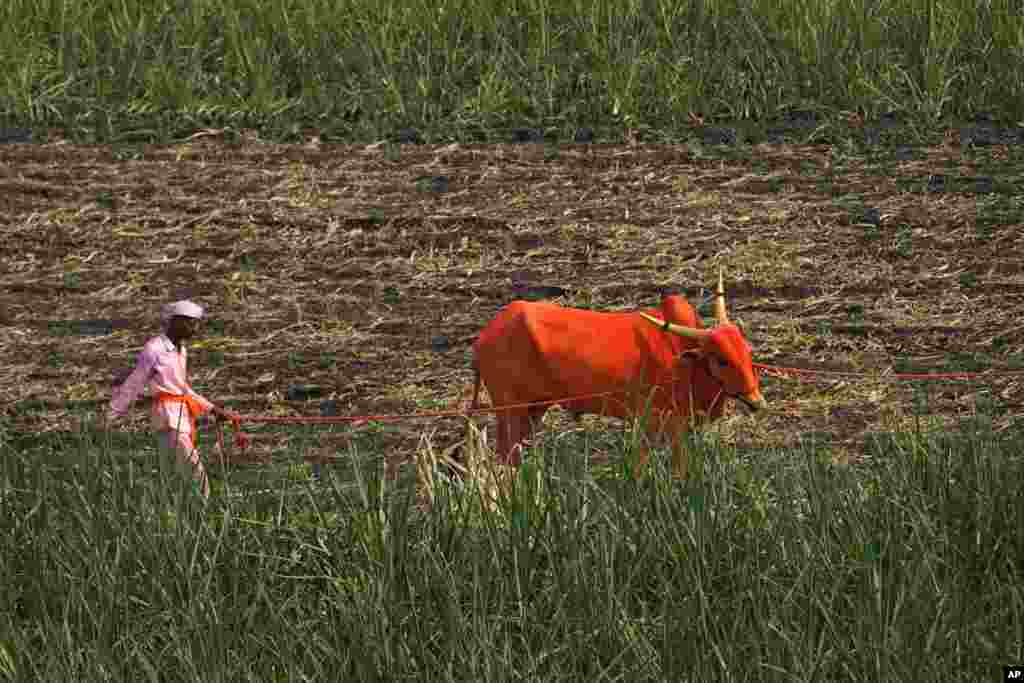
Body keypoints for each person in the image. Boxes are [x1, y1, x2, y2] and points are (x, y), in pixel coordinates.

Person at [106, 300, 237, 499]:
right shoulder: (154, 348)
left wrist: (213, 409)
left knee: (171, 475)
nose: (195, 328)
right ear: (175, 322)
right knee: (193, 468)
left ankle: (178, 514)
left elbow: (183, 389)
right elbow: (135, 381)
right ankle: (205, 507)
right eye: (191, 323)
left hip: (181, 415)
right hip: (167, 417)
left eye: (197, 323)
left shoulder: (181, 351)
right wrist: (112, 413)